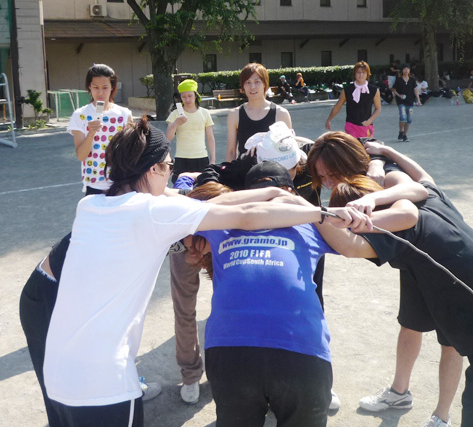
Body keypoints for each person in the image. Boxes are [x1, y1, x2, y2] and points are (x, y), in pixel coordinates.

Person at [31, 117, 368, 427]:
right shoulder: (153, 212)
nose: (170, 174)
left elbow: (191, 200)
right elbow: (245, 216)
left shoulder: (90, 205)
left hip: (58, 375)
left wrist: (270, 192)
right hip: (104, 384)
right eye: (168, 166)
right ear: (152, 169)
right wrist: (320, 213)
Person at [328, 143, 473, 427]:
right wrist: (386, 153)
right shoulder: (430, 200)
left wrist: (314, 214)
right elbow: (424, 179)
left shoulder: (401, 228)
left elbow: (350, 246)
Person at [306, 131, 463, 427]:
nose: (327, 183)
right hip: (415, 262)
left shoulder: (384, 177)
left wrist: (383, 158)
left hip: (447, 262)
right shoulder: (362, 180)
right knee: (410, 324)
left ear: (347, 163)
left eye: (330, 174)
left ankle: (441, 415)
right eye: (321, 177)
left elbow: (421, 188)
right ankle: (399, 393)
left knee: (450, 341)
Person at [190, 162, 339, 426]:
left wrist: (304, 206)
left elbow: (359, 240)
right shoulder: (224, 222)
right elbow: (190, 209)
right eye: (261, 193)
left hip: (299, 349)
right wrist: (270, 194)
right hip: (234, 348)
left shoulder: (313, 224)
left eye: (278, 192)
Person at [67, 64, 133, 195]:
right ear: (89, 87)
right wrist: (91, 132)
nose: (100, 93)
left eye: (105, 87)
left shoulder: (124, 114)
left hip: (121, 182)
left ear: (112, 87)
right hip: (94, 184)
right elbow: (81, 156)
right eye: (96, 87)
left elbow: (131, 151)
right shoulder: (80, 115)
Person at [225, 63, 292, 161]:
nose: (252, 87)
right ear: (243, 86)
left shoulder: (281, 114)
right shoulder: (235, 114)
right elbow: (231, 152)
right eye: (248, 82)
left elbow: (288, 150)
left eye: (257, 82)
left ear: (265, 84)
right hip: (244, 169)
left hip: (272, 169)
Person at [165, 79, 216, 182]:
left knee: (202, 187)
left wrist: (213, 159)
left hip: (201, 157)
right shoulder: (175, 114)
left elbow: (210, 137)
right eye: (184, 97)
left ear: (195, 95)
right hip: (182, 157)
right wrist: (175, 124)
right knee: (181, 187)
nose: (187, 99)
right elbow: (167, 139)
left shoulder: (205, 113)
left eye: (190, 96)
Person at [324, 61, 382, 138]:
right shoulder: (347, 90)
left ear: (367, 74)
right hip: (351, 126)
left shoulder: (374, 90)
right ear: (355, 74)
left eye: (363, 73)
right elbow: (338, 106)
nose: (361, 75)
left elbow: (378, 108)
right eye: (358, 72)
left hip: (366, 127)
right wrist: (329, 119)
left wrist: (369, 121)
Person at [392, 64, 420, 142]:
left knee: (409, 119)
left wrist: (418, 99)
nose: (406, 70)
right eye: (404, 69)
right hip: (401, 102)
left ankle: (405, 135)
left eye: (408, 69)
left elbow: (415, 89)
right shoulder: (399, 80)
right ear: (402, 70)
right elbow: (393, 89)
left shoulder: (412, 80)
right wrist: (399, 95)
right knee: (403, 117)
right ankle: (401, 131)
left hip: (410, 102)